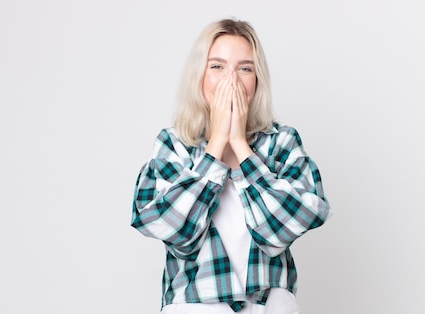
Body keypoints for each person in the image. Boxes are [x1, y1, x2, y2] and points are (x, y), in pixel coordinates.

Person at [131, 17, 332, 314]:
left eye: (245, 68)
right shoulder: (174, 145)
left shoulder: (282, 143)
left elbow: (281, 231)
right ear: (199, 76)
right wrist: (214, 150)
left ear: (257, 80)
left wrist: (239, 144)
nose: (231, 79)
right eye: (217, 67)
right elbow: (176, 233)